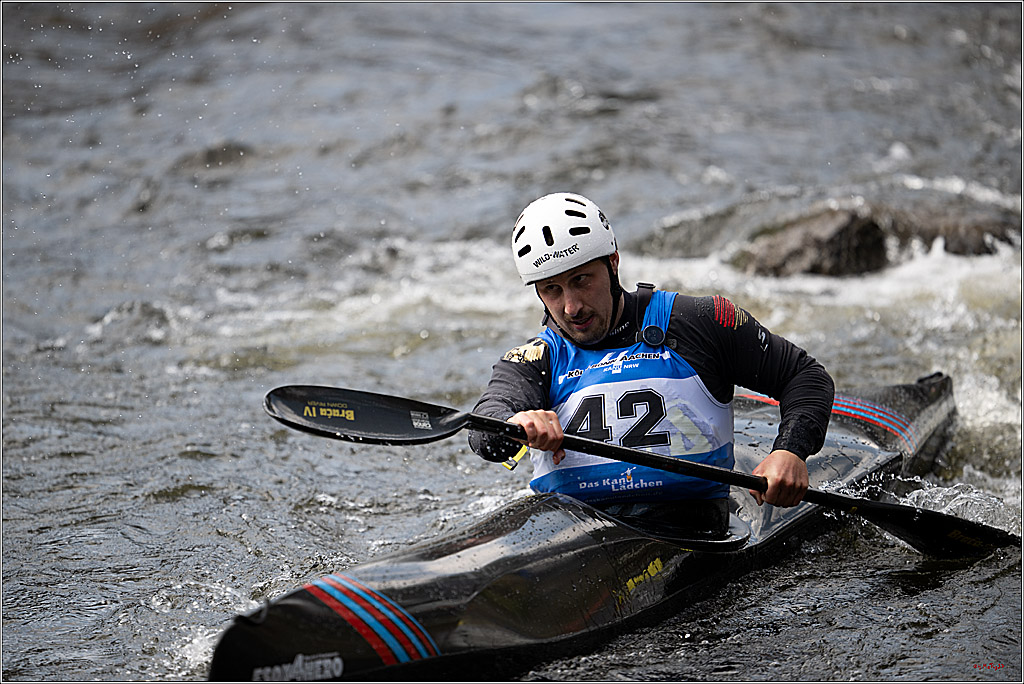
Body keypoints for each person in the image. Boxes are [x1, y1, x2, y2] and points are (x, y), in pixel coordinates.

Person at [468, 192, 835, 537]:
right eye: (552, 290)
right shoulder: (535, 360)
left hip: (693, 531)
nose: (571, 306)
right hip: (574, 538)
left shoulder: (699, 321)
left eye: (581, 280)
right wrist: (515, 424)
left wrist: (789, 451)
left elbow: (804, 376)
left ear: (613, 263)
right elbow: (485, 430)